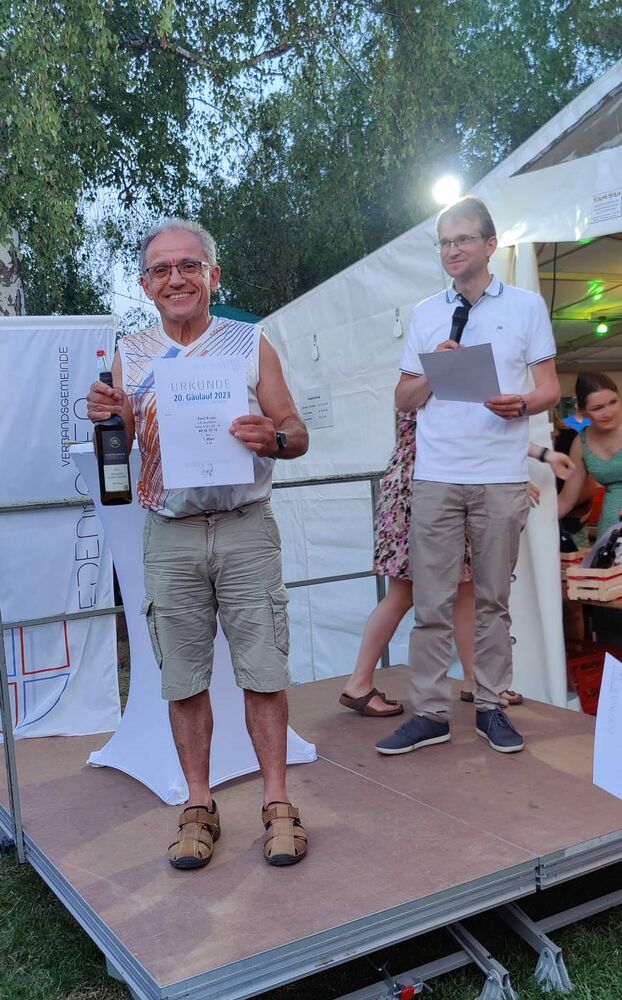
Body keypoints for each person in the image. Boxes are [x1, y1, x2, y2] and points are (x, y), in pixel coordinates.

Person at [86, 219, 309, 870]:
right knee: (182, 678)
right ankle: (199, 804)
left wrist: (275, 438)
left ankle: (277, 804)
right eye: (161, 269)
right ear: (144, 285)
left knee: (263, 671)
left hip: (245, 526)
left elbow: (296, 430)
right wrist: (111, 421)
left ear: (214, 275)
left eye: (189, 266)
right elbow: (120, 445)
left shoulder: (248, 343)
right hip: (171, 532)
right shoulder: (130, 354)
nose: (176, 278)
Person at [375, 195, 560, 757]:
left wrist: (520, 405)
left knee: (492, 601)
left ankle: (491, 707)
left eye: (463, 239)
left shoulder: (526, 306)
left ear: (490, 245)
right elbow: (404, 397)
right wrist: (436, 368)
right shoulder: (426, 313)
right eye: (445, 242)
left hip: (500, 476)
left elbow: (550, 389)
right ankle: (430, 713)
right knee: (430, 602)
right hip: (435, 476)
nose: (452, 250)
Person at [340, 411, 573, 717]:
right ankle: (359, 682)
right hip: (428, 487)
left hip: (438, 485)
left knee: (465, 588)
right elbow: (474, 433)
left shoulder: (426, 388)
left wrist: (534, 459)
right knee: (404, 593)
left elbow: (478, 430)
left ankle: (474, 679)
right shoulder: (430, 390)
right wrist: (520, 468)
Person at [558, 373, 622, 537]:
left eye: (613, 402)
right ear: (582, 411)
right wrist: (532, 521)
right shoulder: (581, 443)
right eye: (597, 408)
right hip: (612, 525)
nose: (608, 413)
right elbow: (567, 499)